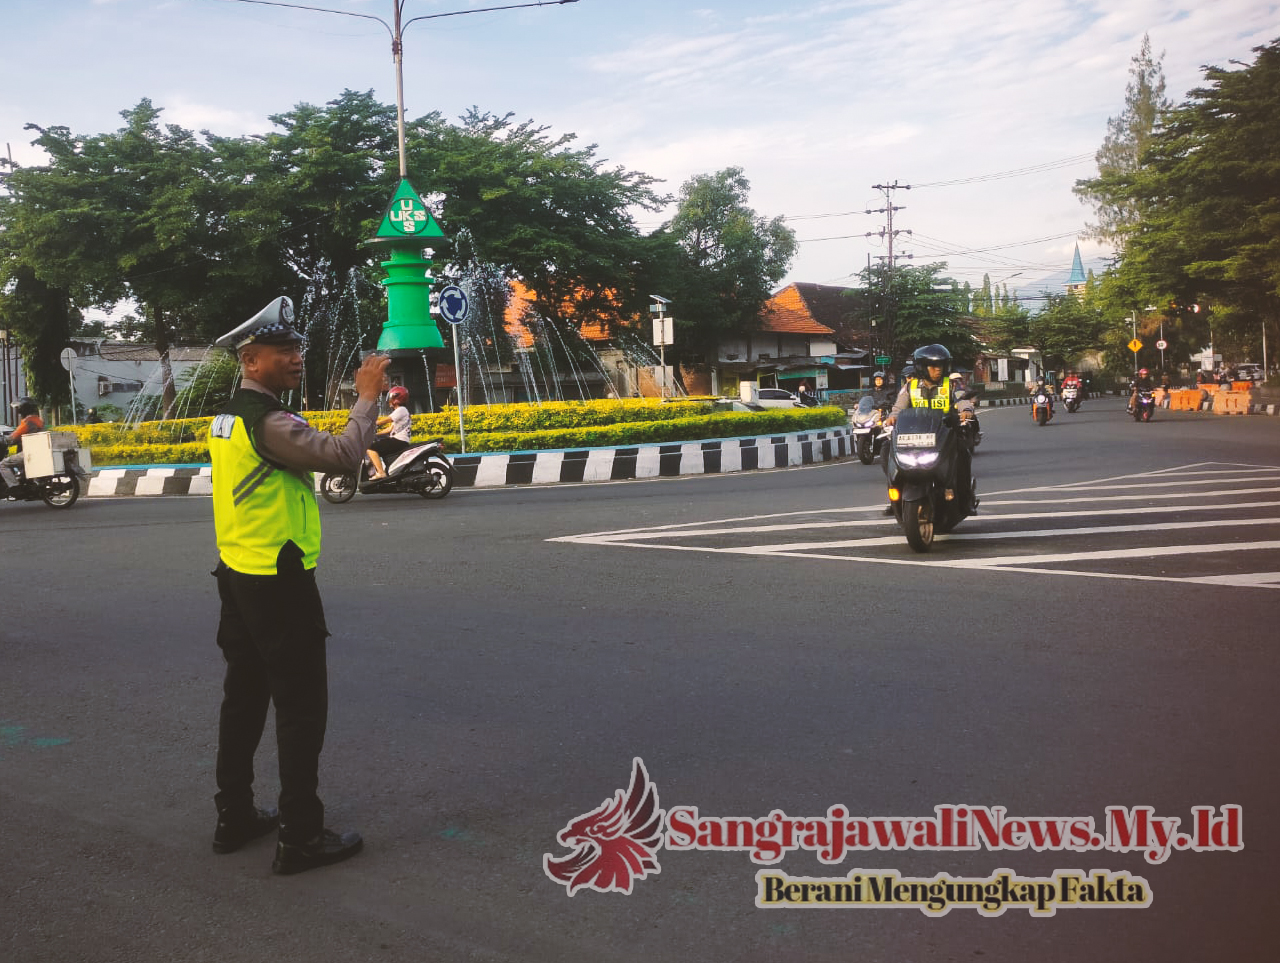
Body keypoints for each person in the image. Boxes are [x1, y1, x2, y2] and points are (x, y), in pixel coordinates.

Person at [208, 296, 391, 876]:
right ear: (251, 359)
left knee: (243, 701)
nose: (296, 358)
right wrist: (366, 396)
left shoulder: (228, 416)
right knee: (301, 707)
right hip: (278, 584)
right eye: (283, 351)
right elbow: (341, 456)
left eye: (297, 349)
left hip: (237, 573)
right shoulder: (268, 422)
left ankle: (233, 815)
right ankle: (301, 836)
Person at [886, 344, 978, 513]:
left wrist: (965, 410)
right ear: (922, 368)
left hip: (944, 432)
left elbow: (962, 400)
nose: (938, 370)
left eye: (941, 366)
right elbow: (898, 408)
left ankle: (965, 499)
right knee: (887, 450)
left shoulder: (950, 384)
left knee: (964, 455)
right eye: (934, 366)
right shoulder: (910, 387)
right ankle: (895, 496)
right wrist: (892, 417)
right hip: (915, 435)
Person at [367, 385, 412, 479]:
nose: (389, 401)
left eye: (391, 398)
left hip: (399, 441)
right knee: (376, 442)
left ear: (396, 399)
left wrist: (372, 423)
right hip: (399, 441)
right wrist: (375, 434)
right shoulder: (402, 411)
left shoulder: (401, 410)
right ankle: (383, 471)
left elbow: (388, 419)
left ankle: (380, 472)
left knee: (370, 447)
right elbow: (390, 429)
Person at [0, 397, 44, 489]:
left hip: (29, 452)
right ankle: (24, 480)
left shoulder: (28, 421)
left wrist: (4, 439)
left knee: (3, 464)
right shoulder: (38, 420)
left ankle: (14, 486)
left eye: (19, 409)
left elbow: (14, 436)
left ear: (23, 410)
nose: (18, 412)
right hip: (37, 450)